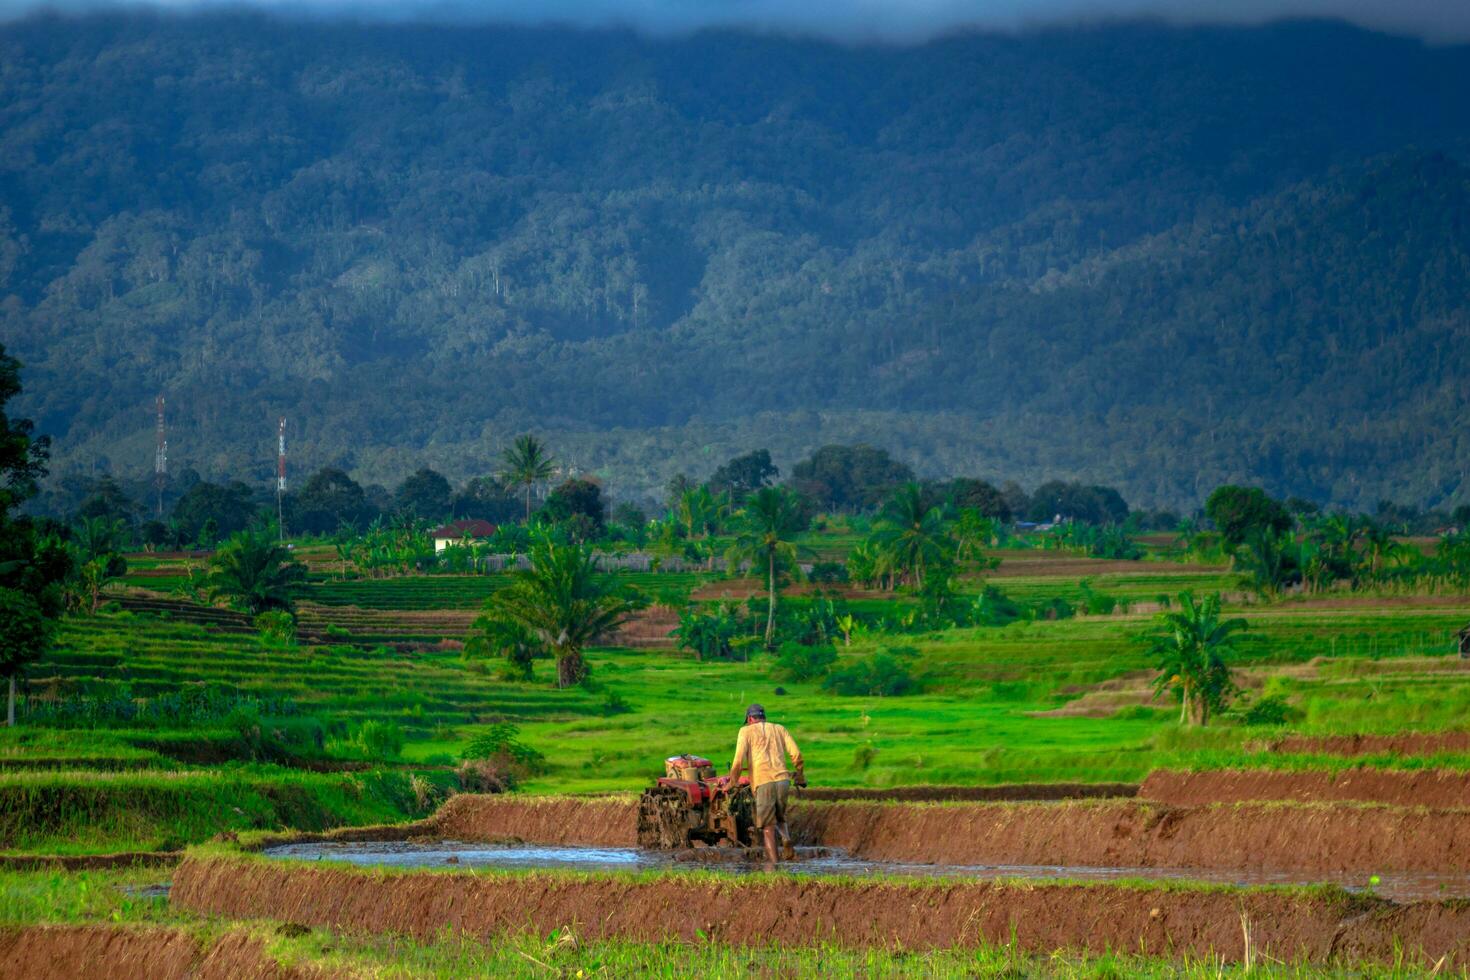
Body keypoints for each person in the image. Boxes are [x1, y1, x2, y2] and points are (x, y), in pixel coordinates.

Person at [726, 703, 805, 865]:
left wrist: (732, 782)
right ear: (764, 717)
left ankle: (774, 865)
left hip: (763, 781)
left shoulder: (745, 731)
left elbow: (739, 761)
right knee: (780, 817)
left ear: (749, 719)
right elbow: (796, 754)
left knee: (768, 827)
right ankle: (786, 838)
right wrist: (800, 775)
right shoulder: (779, 728)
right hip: (783, 780)